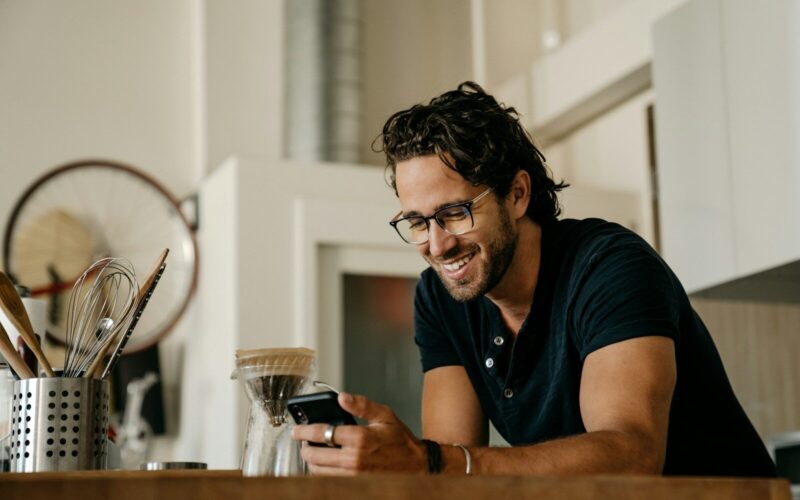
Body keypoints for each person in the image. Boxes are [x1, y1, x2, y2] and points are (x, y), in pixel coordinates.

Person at [292, 82, 777, 477]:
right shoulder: (440, 300)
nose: (437, 246)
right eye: (417, 222)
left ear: (518, 194)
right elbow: (448, 469)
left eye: (455, 213)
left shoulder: (611, 268)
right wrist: (400, 468)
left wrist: (430, 463)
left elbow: (632, 457)